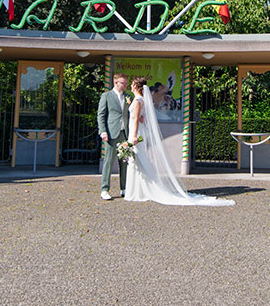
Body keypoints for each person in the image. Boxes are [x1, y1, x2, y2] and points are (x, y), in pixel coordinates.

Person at [124, 77, 233, 207]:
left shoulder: (137, 101)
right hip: (141, 133)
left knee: (138, 160)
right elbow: (143, 117)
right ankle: (140, 190)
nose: (130, 87)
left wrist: (134, 136)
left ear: (136, 86)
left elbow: (136, 118)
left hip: (136, 133)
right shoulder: (143, 101)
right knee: (139, 159)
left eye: (132, 85)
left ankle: (140, 191)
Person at [97, 72, 129, 201]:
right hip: (111, 133)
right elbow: (101, 115)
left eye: (126, 83)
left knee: (124, 162)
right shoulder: (106, 96)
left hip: (124, 133)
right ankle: (105, 189)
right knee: (108, 162)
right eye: (124, 83)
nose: (126, 85)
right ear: (116, 83)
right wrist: (103, 131)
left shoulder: (128, 97)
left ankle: (124, 188)